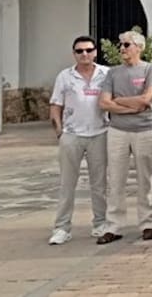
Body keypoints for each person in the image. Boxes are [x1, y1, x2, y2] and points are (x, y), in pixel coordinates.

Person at [98, 30, 152, 244]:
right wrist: (131, 107)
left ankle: (147, 223)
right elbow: (104, 102)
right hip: (118, 130)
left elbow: (146, 100)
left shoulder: (151, 69)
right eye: (121, 45)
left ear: (139, 47)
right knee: (116, 178)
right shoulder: (113, 73)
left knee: (146, 177)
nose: (122, 49)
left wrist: (119, 101)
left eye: (127, 45)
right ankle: (113, 225)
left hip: (144, 130)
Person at [47, 36, 110, 245]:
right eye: (80, 51)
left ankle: (100, 222)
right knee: (67, 183)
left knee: (99, 183)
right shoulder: (65, 76)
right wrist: (60, 131)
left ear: (95, 52)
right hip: (72, 134)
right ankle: (62, 227)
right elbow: (56, 104)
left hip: (99, 133)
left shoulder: (106, 74)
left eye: (88, 50)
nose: (85, 54)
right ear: (74, 53)